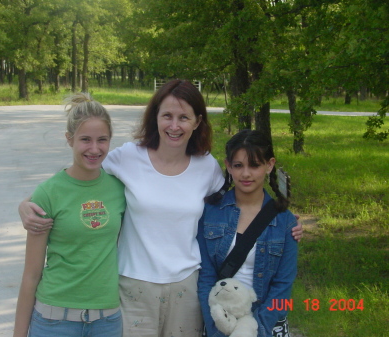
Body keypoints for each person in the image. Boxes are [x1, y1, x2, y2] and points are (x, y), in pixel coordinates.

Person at [18, 80, 303, 337]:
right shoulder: (128, 157)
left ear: (197, 121)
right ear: (155, 118)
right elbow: (75, 179)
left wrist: (282, 219)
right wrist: (27, 203)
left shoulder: (207, 168)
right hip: (133, 288)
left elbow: (239, 201)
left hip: (187, 288)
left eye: (183, 117)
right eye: (167, 115)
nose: (174, 126)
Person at [13, 93, 126, 337]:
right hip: (55, 320)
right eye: (85, 139)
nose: (94, 149)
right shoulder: (48, 192)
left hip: (107, 320)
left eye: (102, 140)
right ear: (69, 139)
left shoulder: (120, 189)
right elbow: (31, 274)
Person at [197, 129, 298, 337]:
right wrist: (217, 328)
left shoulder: (285, 221)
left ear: (269, 165)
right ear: (228, 166)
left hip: (267, 325)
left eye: (254, 165)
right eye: (238, 165)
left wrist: (258, 329)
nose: (245, 174)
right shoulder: (211, 213)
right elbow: (205, 277)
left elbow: (283, 285)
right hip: (221, 320)